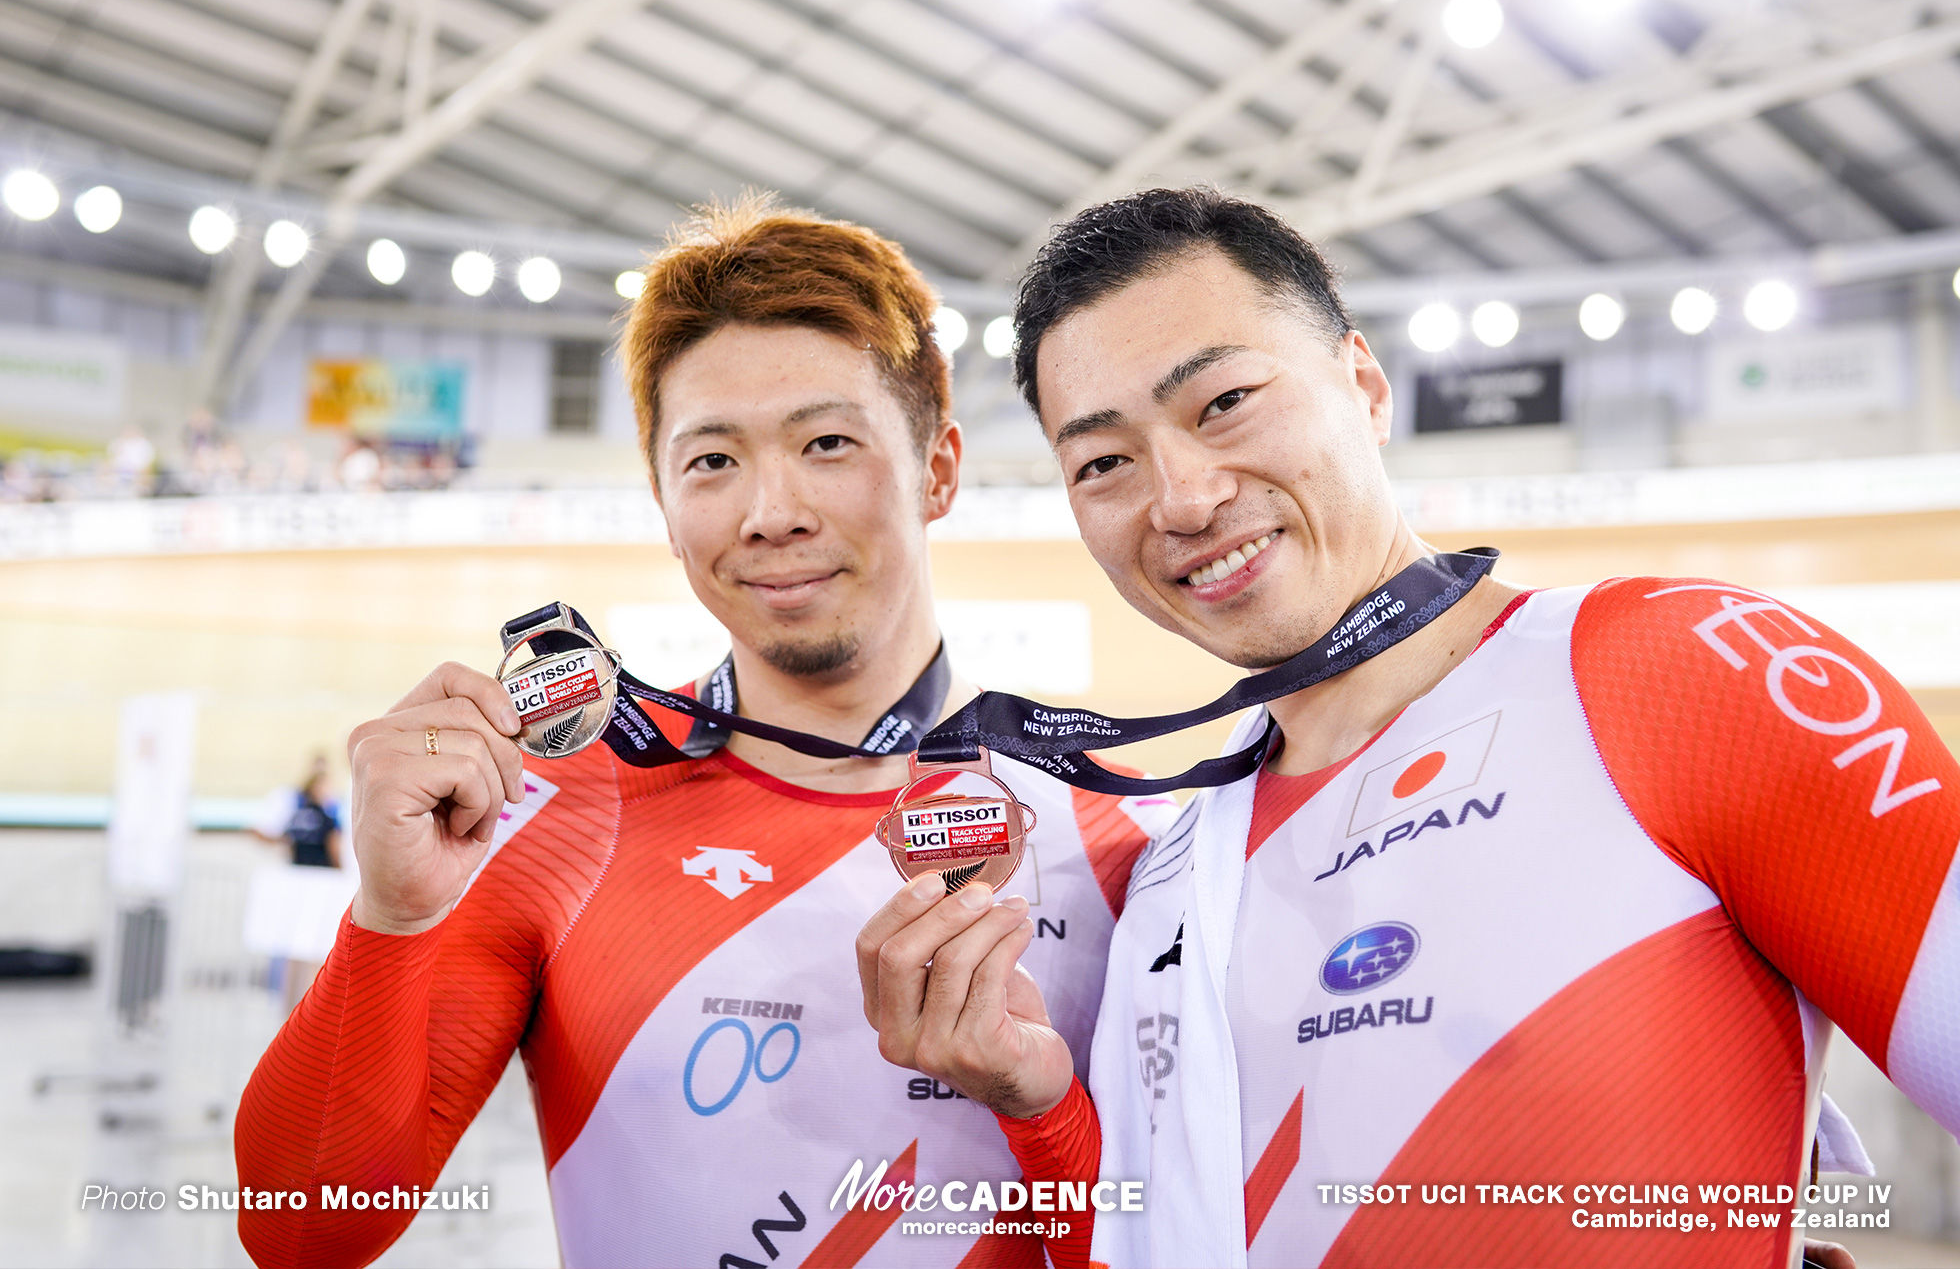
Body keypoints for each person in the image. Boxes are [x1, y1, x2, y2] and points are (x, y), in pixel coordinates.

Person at [856, 188, 1957, 1269]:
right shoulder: (1174, 869)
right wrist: (1035, 1101)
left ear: (1365, 386)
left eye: (1225, 402)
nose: (1180, 497)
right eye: (1102, 462)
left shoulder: (1682, 672)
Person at [232, 198, 1175, 1269]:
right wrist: (392, 915)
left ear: (939, 469)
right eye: (711, 461)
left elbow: (1190, 1243)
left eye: (826, 443)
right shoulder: (558, 808)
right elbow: (303, 1232)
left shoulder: (1119, 829)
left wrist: (1036, 1104)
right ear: (664, 505)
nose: (771, 511)